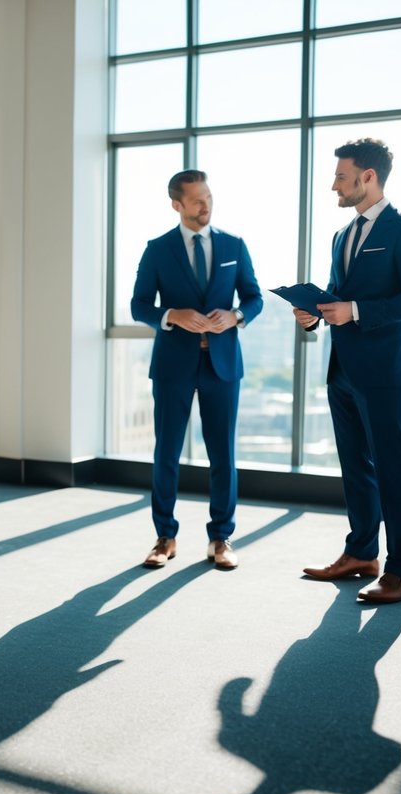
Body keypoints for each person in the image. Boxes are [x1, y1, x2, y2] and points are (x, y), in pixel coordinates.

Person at [294, 138, 401, 604]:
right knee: (355, 465)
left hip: (383, 369)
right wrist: (314, 313)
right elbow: (339, 293)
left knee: (392, 466)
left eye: (341, 175)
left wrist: (354, 310)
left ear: (368, 177)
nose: (333, 183)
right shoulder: (342, 235)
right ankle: (361, 553)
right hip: (343, 369)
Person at [131, 169, 264, 571]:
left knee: (222, 454)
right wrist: (173, 315)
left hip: (222, 365)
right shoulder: (157, 249)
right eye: (197, 200)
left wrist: (236, 315)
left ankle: (221, 538)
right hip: (173, 365)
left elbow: (254, 297)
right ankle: (164, 537)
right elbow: (139, 306)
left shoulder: (234, 245)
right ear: (177, 205)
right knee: (166, 453)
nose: (205, 205)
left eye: (208, 197)